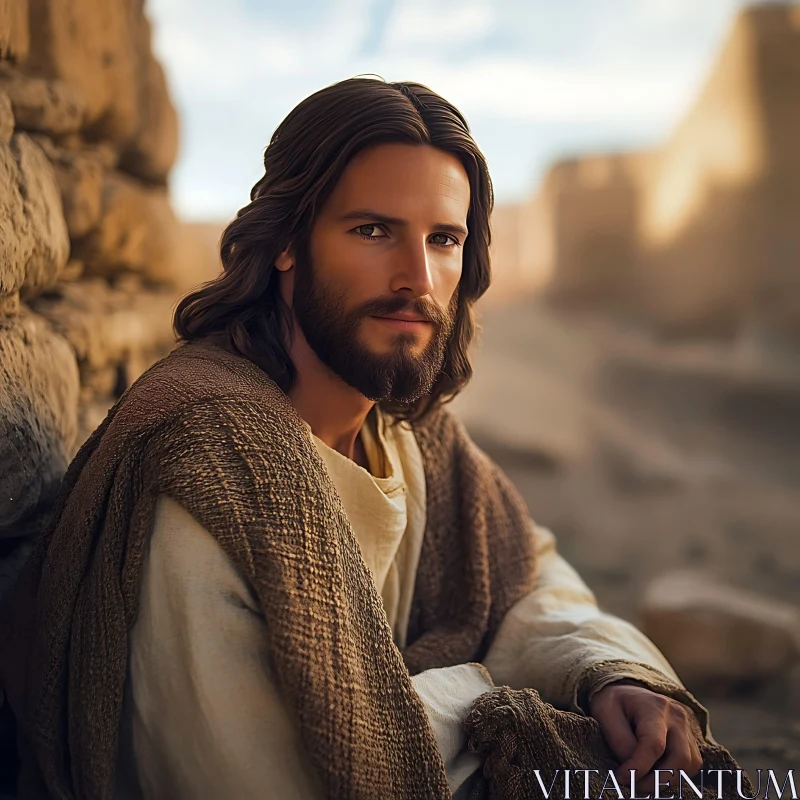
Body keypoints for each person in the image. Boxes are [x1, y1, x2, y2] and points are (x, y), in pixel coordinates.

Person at [2, 77, 713, 799]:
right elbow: (254, 780)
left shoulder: (408, 437)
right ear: (285, 242)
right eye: (372, 231)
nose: (417, 279)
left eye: (444, 240)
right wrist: (489, 695)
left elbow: (527, 572)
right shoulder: (215, 464)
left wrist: (608, 670)